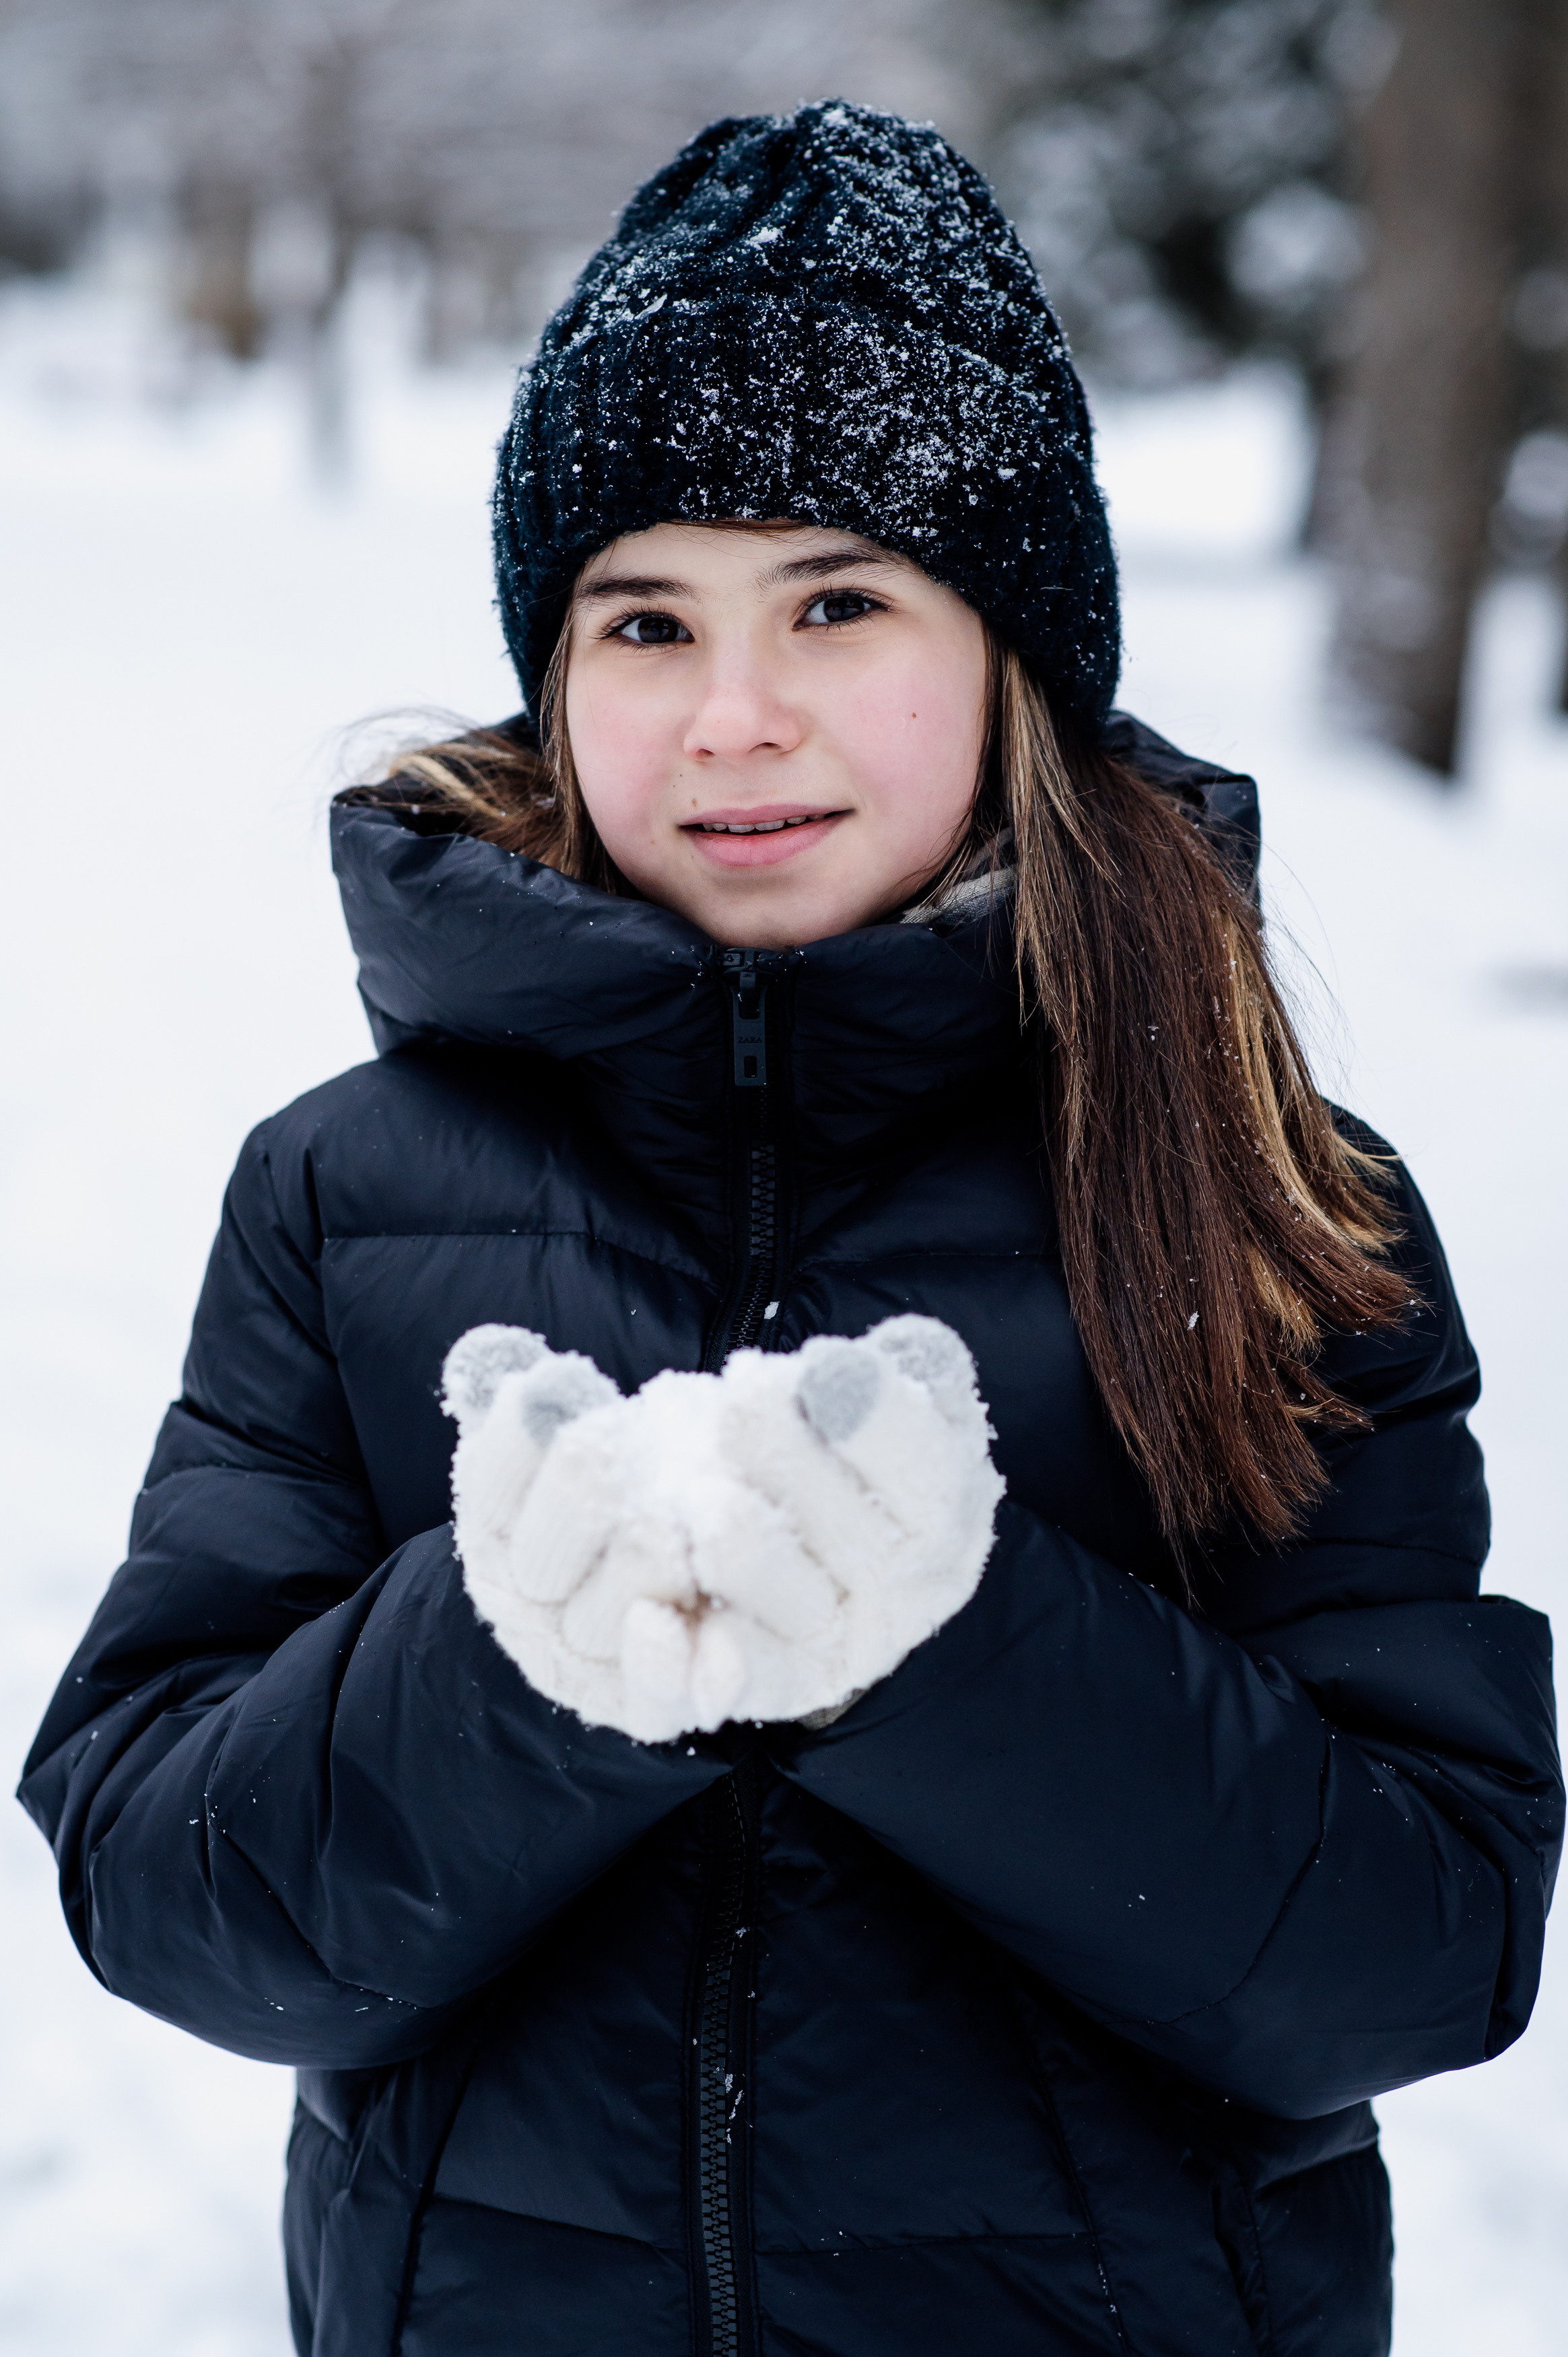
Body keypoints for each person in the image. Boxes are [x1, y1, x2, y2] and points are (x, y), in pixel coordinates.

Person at [20, 100, 1561, 2357]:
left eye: (837, 601)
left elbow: (1412, 1952)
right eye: (643, 617)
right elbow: (173, 1894)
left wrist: (938, 1638)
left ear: (1011, 652)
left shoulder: (1254, 1187)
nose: (732, 717)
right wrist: (515, 1655)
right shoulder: (346, 1198)